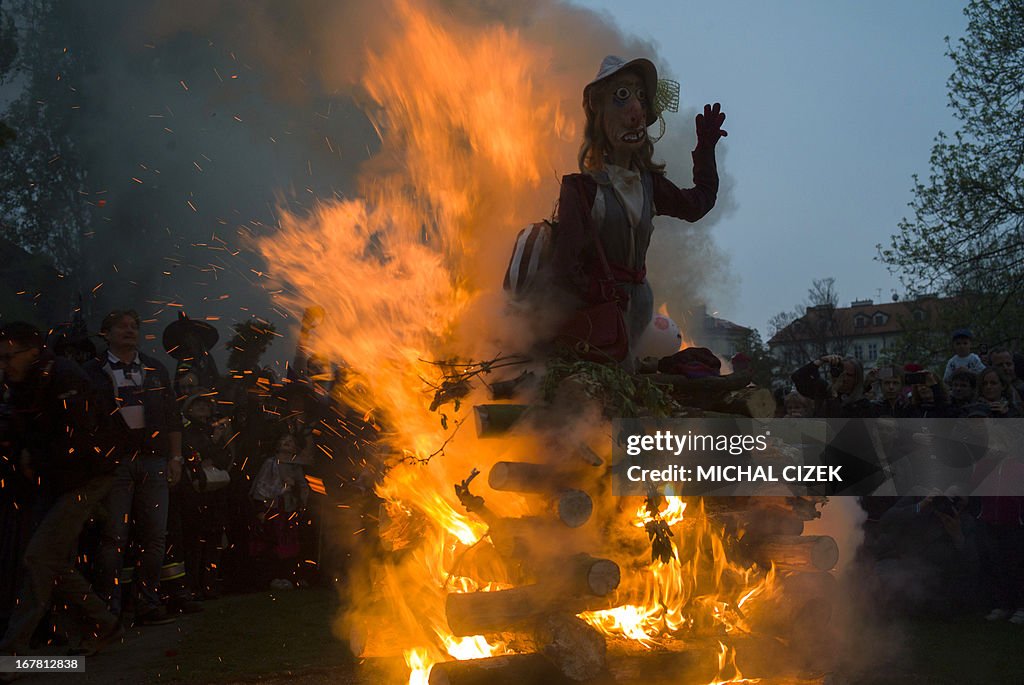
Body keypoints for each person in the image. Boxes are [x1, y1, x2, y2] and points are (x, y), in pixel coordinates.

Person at [551, 55, 725, 368]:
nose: (635, 110)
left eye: (640, 97)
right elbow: (565, 270)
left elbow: (698, 203)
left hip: (637, 307)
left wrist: (705, 150)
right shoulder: (581, 190)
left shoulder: (649, 185)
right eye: (622, 96)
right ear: (599, 113)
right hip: (597, 318)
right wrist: (599, 293)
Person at [0, 323, 121, 657]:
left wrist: (33, 457)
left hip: (87, 478)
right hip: (55, 480)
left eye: (9, 357)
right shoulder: (22, 381)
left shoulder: (66, 377)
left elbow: (77, 440)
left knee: (38, 557)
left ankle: (12, 653)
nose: (5, 365)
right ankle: (104, 623)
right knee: (49, 560)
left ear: (33, 351)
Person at [83, 310, 184, 626]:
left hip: (153, 460)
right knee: (114, 536)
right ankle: (109, 610)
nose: (129, 330)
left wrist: (176, 457)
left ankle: (147, 604)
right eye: (122, 326)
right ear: (106, 333)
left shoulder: (155, 368)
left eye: (134, 325)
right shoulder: (93, 371)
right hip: (116, 463)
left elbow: (171, 417)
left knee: (154, 535)